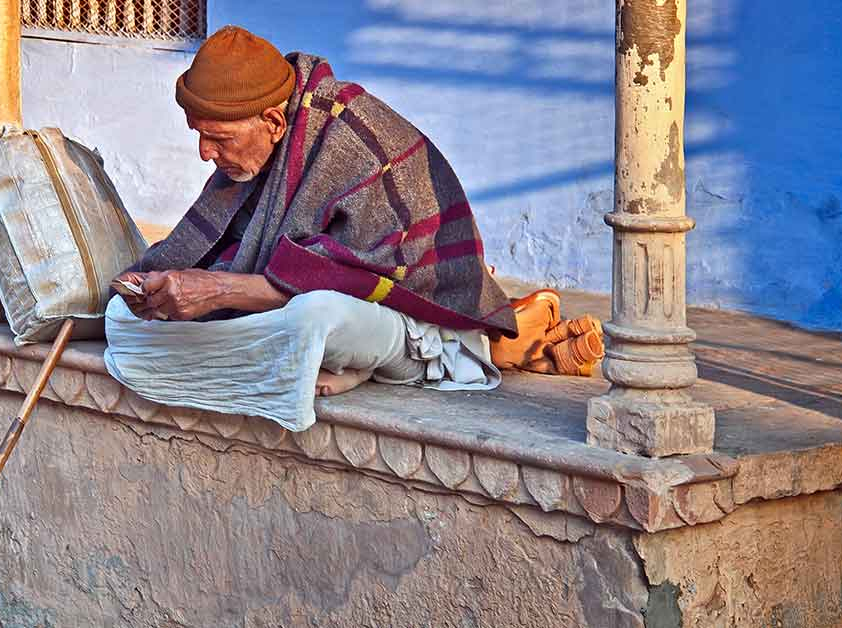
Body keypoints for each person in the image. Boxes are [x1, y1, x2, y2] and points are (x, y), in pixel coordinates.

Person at [103, 26, 600, 432]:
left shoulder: (354, 138)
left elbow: (361, 281)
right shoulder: (269, 147)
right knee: (126, 324)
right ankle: (498, 341)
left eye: (216, 138)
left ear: (274, 121)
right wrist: (157, 286)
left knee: (314, 316)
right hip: (344, 301)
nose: (205, 154)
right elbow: (216, 243)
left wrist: (216, 290)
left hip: (401, 308)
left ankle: (469, 345)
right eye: (198, 135)